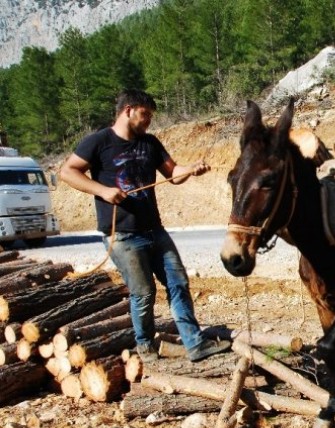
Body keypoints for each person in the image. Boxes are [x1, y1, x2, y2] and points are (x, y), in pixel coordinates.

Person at [60, 89, 231, 363]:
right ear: (128, 110)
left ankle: (195, 344)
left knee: (178, 283)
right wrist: (103, 191)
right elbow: (67, 172)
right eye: (145, 114)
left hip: (155, 229)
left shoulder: (149, 143)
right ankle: (146, 347)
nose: (149, 120)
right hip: (122, 235)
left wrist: (190, 169)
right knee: (143, 293)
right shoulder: (98, 141)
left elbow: (173, 174)